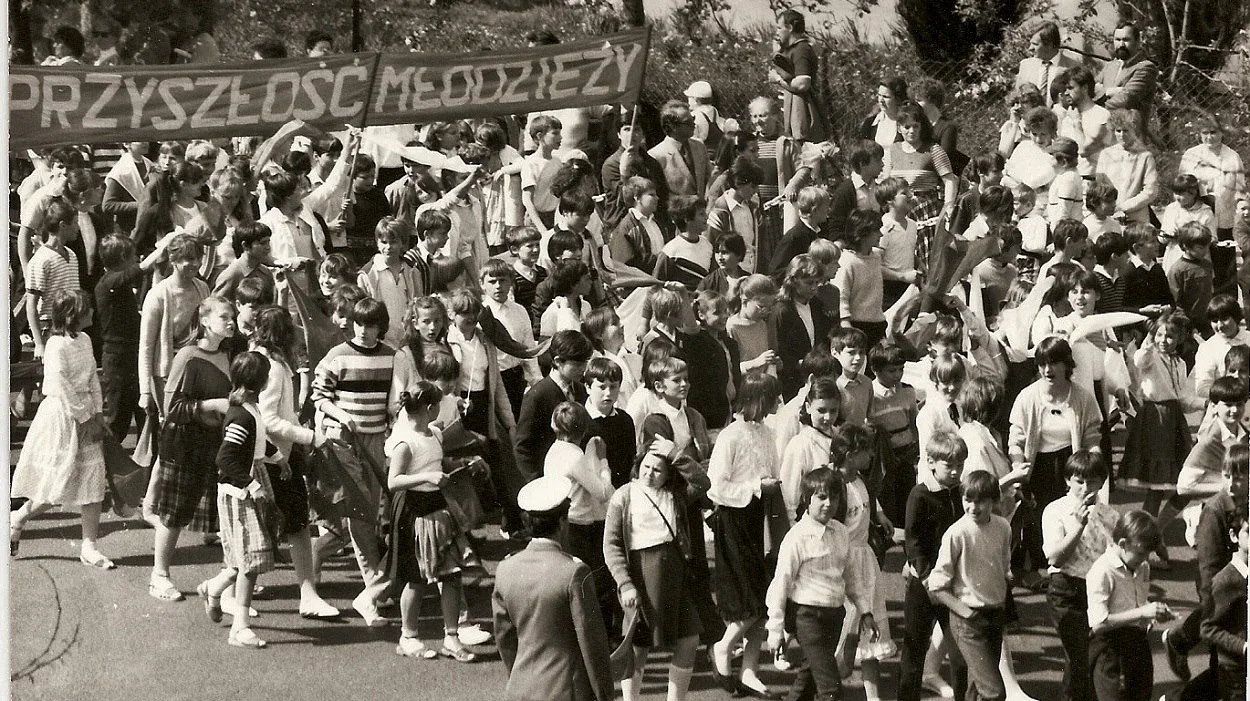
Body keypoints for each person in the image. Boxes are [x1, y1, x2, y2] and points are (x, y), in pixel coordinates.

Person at [9, 289, 113, 568]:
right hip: (62, 418)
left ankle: (89, 546)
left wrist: (99, 413)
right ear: (73, 315)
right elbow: (61, 386)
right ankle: (18, 517)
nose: (92, 312)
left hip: (87, 415)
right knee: (56, 482)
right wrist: (84, 418)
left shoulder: (86, 339)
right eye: (87, 309)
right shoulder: (56, 345)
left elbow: (92, 376)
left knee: (92, 480)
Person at [311, 297, 398, 625]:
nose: (363, 330)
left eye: (371, 324)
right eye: (359, 323)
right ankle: (373, 586)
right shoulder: (337, 356)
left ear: (380, 326)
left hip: (375, 440)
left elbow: (394, 399)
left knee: (366, 513)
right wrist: (340, 414)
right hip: (342, 441)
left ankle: (318, 553)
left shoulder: (391, 356)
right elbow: (319, 397)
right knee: (360, 513)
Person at [492, 474, 614, 701]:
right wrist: (605, 694)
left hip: (521, 687)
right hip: (567, 690)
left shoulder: (505, 569)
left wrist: (518, 675)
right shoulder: (575, 572)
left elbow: (504, 638)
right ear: (562, 522)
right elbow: (592, 643)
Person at [147, 296, 237, 602]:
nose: (230, 321)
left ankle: (230, 581)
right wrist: (212, 404)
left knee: (223, 513)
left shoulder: (228, 354)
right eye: (224, 316)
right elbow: (173, 407)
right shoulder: (187, 355)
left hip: (215, 445)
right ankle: (159, 575)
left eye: (231, 316)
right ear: (205, 321)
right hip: (184, 444)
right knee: (175, 512)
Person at [383, 382, 481, 662]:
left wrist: (465, 464)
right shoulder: (404, 442)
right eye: (438, 405)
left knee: (451, 574)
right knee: (416, 579)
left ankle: (451, 637)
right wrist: (426, 478)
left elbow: (439, 464)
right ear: (429, 408)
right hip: (414, 511)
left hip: (439, 510)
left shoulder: (435, 433)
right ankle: (409, 636)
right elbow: (394, 481)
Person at [604, 439, 708, 701]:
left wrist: (676, 454)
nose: (650, 474)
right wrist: (625, 583)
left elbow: (702, 482)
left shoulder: (675, 495)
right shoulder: (624, 495)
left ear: (668, 474)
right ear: (638, 466)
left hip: (675, 574)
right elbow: (612, 545)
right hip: (642, 576)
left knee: (689, 640)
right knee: (638, 647)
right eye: (646, 467)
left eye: (658, 470)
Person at [766, 467, 875, 701]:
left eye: (834, 497)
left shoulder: (841, 532)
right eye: (821, 497)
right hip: (807, 617)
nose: (828, 504)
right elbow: (780, 585)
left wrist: (866, 611)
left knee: (808, 679)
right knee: (830, 689)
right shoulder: (797, 537)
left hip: (834, 616)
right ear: (807, 499)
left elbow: (852, 577)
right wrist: (775, 630)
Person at [707, 370, 785, 698]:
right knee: (749, 599)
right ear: (756, 400)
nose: (776, 403)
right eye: (770, 398)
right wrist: (756, 487)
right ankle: (723, 647)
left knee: (765, 598)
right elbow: (716, 487)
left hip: (760, 519)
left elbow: (772, 471)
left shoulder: (768, 432)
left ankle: (750, 670)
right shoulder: (731, 436)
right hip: (734, 521)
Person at [197, 351, 276, 649]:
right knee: (251, 561)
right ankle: (240, 628)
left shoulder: (250, 410)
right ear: (261, 381)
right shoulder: (241, 415)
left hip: (250, 482)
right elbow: (226, 458)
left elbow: (258, 440)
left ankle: (212, 589)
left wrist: (278, 458)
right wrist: (251, 484)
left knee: (241, 558)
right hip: (238, 491)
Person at [1165, 442, 1250, 684]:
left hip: (1240, 589)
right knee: (1223, 664)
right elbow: (1208, 567)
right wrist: (1211, 600)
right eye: (1226, 476)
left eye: (1240, 478)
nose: (1232, 484)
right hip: (1220, 588)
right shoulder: (1215, 510)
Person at [928, 470, 1012, 701]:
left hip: (994, 613)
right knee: (993, 692)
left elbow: (1004, 566)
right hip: (968, 621)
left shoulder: (1003, 527)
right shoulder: (956, 533)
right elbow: (937, 585)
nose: (974, 507)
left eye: (981, 501)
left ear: (994, 500)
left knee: (977, 686)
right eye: (968, 500)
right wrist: (966, 612)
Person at [1041, 451, 1119, 701]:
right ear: (1068, 480)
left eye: (1093, 481)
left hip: (1097, 590)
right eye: (1079, 481)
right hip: (1066, 589)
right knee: (1077, 657)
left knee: (1096, 655)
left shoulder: (1110, 515)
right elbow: (1054, 558)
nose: (1086, 487)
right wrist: (1078, 526)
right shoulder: (1056, 511)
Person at [899, 431, 969, 701]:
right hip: (924, 584)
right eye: (948, 466)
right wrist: (926, 576)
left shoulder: (962, 494)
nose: (955, 472)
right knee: (915, 648)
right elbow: (913, 540)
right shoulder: (920, 495)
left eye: (960, 466)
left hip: (952, 584)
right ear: (930, 462)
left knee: (960, 651)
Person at [829, 424, 896, 701]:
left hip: (865, 560)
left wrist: (879, 515)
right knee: (846, 629)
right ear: (849, 453)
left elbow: (868, 500)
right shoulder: (834, 485)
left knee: (871, 629)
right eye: (866, 450)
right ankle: (830, 685)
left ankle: (873, 696)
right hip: (843, 563)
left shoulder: (859, 480)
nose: (870, 455)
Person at [1086, 510, 1173, 701]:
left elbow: (1137, 603)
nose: (1145, 559)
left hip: (1137, 644)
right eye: (1141, 553)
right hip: (1109, 649)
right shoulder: (1102, 571)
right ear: (1123, 544)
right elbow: (1098, 623)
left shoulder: (1142, 567)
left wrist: (1153, 613)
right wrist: (1142, 612)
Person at [881, 101, 959, 272]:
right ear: (899, 127)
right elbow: (886, 182)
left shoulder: (933, 150)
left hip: (925, 211)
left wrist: (948, 207)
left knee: (927, 260)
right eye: (907, 126)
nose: (911, 131)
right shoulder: (892, 150)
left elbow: (950, 180)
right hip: (900, 209)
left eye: (915, 126)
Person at [1200, 503, 1249, 701]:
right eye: (1249, 532)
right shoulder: (1225, 580)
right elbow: (1208, 628)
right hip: (1234, 673)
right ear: (1234, 536)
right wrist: (1243, 646)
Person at [779, 376, 842, 516]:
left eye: (833, 411)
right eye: (821, 410)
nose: (828, 417)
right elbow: (789, 495)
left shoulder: (840, 437)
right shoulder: (801, 444)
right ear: (808, 407)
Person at [776, 255, 833, 400]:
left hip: (814, 375)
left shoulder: (817, 305)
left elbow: (822, 338)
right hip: (791, 379)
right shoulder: (782, 310)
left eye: (817, 282)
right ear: (794, 280)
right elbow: (778, 347)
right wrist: (797, 363)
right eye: (809, 283)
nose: (814, 288)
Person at [1094, 109, 1158, 224]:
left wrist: (1123, 207)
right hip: (1110, 215)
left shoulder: (1144, 156)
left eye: (1126, 131)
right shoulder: (1106, 154)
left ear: (1135, 131)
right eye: (1118, 131)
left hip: (1135, 216)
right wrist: (1110, 207)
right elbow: (1100, 185)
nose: (1121, 135)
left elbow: (1150, 191)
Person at [834, 210, 887, 348]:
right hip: (856, 327)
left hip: (878, 325)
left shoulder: (876, 256)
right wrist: (845, 323)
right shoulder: (847, 261)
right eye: (876, 230)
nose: (881, 234)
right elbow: (841, 295)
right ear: (863, 233)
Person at [770, 10, 825, 142]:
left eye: (779, 28)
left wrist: (778, 80)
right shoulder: (792, 49)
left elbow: (802, 84)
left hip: (803, 113)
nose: (777, 32)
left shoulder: (801, 49)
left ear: (789, 28)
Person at [1098, 23, 1159, 140]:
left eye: (1126, 40)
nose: (1121, 44)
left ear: (1137, 42)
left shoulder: (1145, 68)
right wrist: (1110, 91)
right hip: (1105, 137)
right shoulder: (1110, 66)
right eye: (1117, 39)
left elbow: (1125, 100)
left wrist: (1092, 107)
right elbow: (1091, 89)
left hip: (1131, 140)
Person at [649, 101, 710, 205]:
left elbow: (709, 176)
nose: (694, 124)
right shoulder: (656, 155)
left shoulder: (699, 147)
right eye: (688, 122)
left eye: (693, 119)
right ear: (672, 126)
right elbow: (661, 193)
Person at [1057, 66, 1112, 176]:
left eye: (1070, 88)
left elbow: (1084, 150)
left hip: (1092, 181)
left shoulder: (1102, 116)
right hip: (1068, 179)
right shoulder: (1068, 117)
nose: (1066, 93)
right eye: (1065, 89)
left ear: (1085, 88)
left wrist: (1077, 122)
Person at [1168, 222, 1216, 337]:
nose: (1205, 250)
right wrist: (1188, 325)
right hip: (1188, 324)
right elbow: (1175, 302)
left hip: (1208, 320)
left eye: (1207, 246)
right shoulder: (1177, 270)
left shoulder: (1207, 265)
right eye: (1200, 247)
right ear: (1186, 246)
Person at [1015, 21, 1078, 104]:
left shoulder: (1072, 67)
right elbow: (1018, 98)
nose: (1030, 48)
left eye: (1035, 44)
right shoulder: (1026, 65)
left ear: (1049, 45)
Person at [860, 75, 908, 147]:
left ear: (898, 99)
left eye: (885, 97)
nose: (881, 100)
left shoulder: (907, 123)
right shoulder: (870, 123)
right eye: (879, 95)